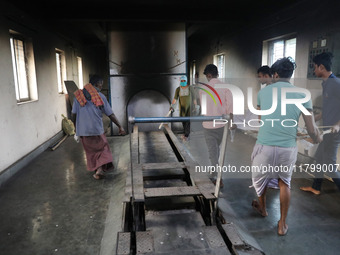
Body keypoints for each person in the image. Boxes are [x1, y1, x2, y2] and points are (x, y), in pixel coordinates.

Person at [251, 57, 322, 236]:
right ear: (291, 74)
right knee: (285, 183)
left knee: (262, 178)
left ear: (275, 74)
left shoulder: (263, 93)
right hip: (287, 147)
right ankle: (282, 224)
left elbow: (262, 121)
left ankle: (263, 208)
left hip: (265, 145)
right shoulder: (303, 94)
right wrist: (317, 137)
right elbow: (311, 128)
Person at [71, 74, 126, 180]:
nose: (101, 87)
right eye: (101, 85)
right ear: (96, 84)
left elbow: (73, 114)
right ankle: (99, 170)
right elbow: (110, 114)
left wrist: (75, 128)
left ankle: (98, 169)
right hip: (96, 129)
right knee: (103, 149)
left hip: (83, 131)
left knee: (91, 152)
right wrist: (120, 126)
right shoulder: (100, 96)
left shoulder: (78, 96)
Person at [300, 52, 340, 195]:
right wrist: (316, 117)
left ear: (321, 67)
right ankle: (316, 188)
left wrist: (338, 124)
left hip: (334, 132)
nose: (314, 70)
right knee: (320, 159)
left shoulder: (335, 83)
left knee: (329, 164)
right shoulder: (326, 84)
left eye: (315, 67)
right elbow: (331, 108)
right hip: (327, 131)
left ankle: (317, 187)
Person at [200, 64, 235, 187]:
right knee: (218, 150)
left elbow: (203, 108)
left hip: (208, 125)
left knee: (212, 151)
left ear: (209, 75)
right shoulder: (226, 87)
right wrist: (231, 122)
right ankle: (216, 173)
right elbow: (230, 107)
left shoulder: (202, 89)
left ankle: (216, 177)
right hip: (221, 125)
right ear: (217, 73)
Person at [170, 75, 196, 141]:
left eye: (184, 81)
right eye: (182, 81)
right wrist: (172, 107)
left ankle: (187, 135)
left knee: (188, 122)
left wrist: (196, 106)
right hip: (182, 109)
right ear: (180, 81)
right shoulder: (178, 89)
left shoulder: (190, 88)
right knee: (184, 122)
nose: (183, 82)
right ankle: (186, 134)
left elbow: (194, 99)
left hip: (190, 108)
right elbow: (175, 99)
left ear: (186, 81)